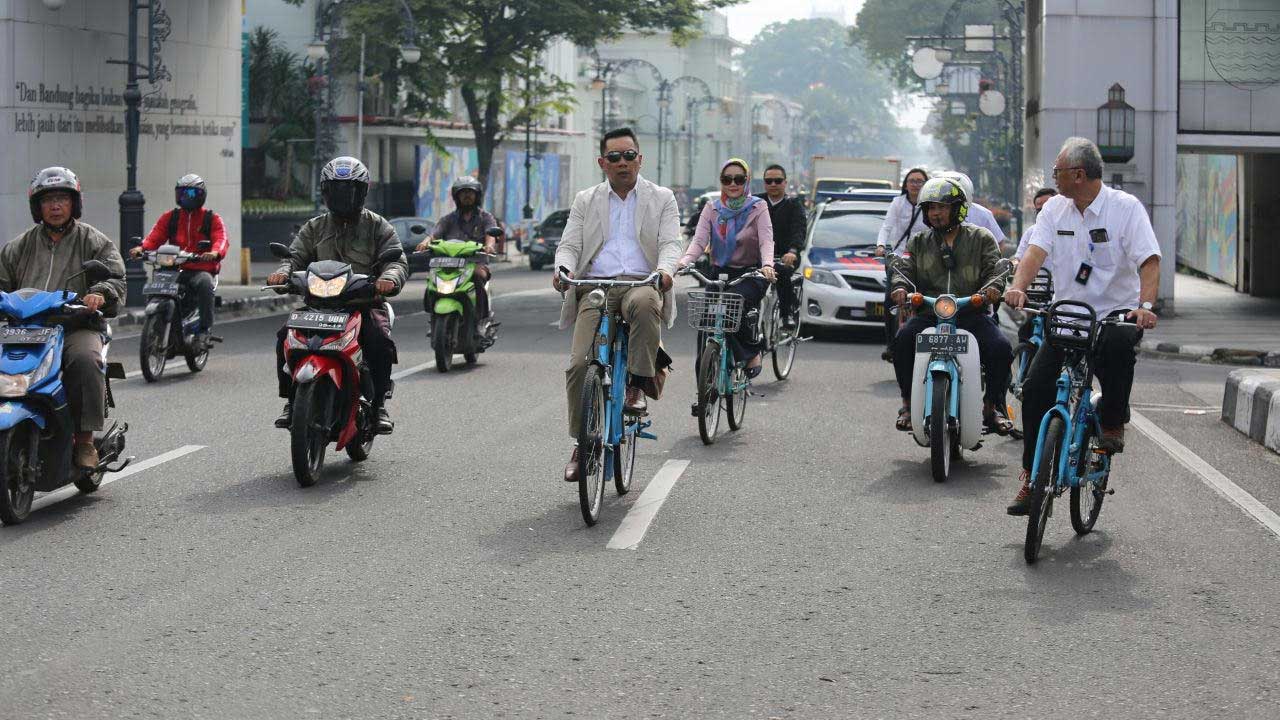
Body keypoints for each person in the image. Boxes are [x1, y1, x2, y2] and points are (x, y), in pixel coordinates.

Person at [1004, 137, 1160, 515]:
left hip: (1113, 317)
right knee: (1037, 389)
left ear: (1078, 174)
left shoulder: (1125, 208)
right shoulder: (1055, 209)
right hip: (1068, 317)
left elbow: (1149, 260)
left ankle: (1111, 424)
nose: (1053, 177)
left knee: (1118, 354)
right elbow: (1034, 253)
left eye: (1057, 171)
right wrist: (1017, 288)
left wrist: (1145, 306)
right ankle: (1030, 476)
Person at [554, 127, 681, 483]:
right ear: (602, 163)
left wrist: (665, 271)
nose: (622, 163)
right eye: (614, 157)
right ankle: (582, 443)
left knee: (643, 304)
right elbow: (569, 245)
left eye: (629, 156)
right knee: (581, 364)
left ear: (640, 160)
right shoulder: (586, 200)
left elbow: (671, 243)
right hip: (595, 286)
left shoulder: (662, 198)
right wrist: (563, 270)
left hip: (642, 282)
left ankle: (637, 386)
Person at [269, 156, 407, 434]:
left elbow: (397, 261)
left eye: (349, 190)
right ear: (326, 192)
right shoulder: (314, 227)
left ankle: (378, 404)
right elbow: (293, 256)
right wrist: (283, 273)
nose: (343, 197)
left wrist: (388, 279)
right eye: (336, 190)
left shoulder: (378, 226)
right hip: (318, 307)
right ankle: (291, 399)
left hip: (363, 304)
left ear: (362, 192)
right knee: (285, 337)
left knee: (379, 341)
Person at [0, 167, 126, 469]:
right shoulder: (19, 246)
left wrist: (100, 293)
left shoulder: (93, 241)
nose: (55, 206)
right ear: (37, 206)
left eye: (62, 199)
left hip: (75, 326)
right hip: (24, 329)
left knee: (86, 360)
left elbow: (116, 278)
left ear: (74, 203)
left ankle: (84, 442)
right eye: (48, 200)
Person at [889, 176, 1013, 435]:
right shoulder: (919, 242)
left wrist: (992, 290)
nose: (935, 213)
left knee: (1001, 348)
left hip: (971, 313)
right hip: (929, 313)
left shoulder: (982, 238)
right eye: (930, 208)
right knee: (901, 341)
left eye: (942, 207)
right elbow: (905, 269)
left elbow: (995, 269)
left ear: (958, 208)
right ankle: (907, 405)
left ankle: (993, 407)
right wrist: (900, 287)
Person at [681, 158, 777, 373]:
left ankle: (752, 352)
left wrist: (768, 265)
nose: (733, 184)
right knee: (706, 325)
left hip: (751, 274)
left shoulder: (758, 207)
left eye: (739, 179)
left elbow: (766, 240)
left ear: (747, 181)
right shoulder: (712, 208)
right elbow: (699, 242)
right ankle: (704, 390)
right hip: (719, 274)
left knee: (734, 305)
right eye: (727, 179)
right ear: (721, 182)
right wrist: (684, 262)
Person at [131, 174, 227, 345]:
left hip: (199, 269)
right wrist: (142, 248)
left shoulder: (212, 218)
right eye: (182, 193)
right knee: (156, 286)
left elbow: (221, 239)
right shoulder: (171, 217)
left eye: (191, 193)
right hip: (173, 268)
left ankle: (204, 330)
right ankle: (158, 327)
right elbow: (155, 237)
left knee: (205, 283)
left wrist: (214, 252)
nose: (186, 197)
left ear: (201, 196)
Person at [416, 176, 500, 321]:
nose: (467, 196)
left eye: (470, 192)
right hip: (448, 264)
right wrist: (425, 242)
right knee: (432, 278)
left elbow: (490, 234)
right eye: (463, 193)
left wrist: (489, 246)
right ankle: (433, 316)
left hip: (475, 263)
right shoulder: (448, 219)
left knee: (478, 277)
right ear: (457, 196)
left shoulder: (485, 217)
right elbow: (435, 233)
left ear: (477, 195)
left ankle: (481, 318)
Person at [876, 167, 930, 360]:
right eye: (912, 181)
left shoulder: (930, 205)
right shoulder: (897, 203)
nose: (915, 184)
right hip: (898, 258)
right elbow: (886, 226)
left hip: (924, 259)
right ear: (905, 185)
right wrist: (881, 245)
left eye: (920, 181)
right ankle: (891, 345)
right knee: (891, 300)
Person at [754, 164, 805, 327]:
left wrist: (793, 251)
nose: (773, 184)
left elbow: (799, 230)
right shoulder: (755, 203)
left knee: (781, 272)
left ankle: (786, 314)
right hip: (757, 257)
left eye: (777, 180)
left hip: (784, 256)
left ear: (785, 182)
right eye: (769, 181)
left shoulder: (794, 204)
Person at [1012, 187, 1059, 344]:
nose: (1042, 212)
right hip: (1038, 292)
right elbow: (1021, 258)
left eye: (1046, 207)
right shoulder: (1032, 232)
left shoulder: (1070, 228)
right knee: (1026, 332)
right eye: (1038, 209)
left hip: (1062, 296)